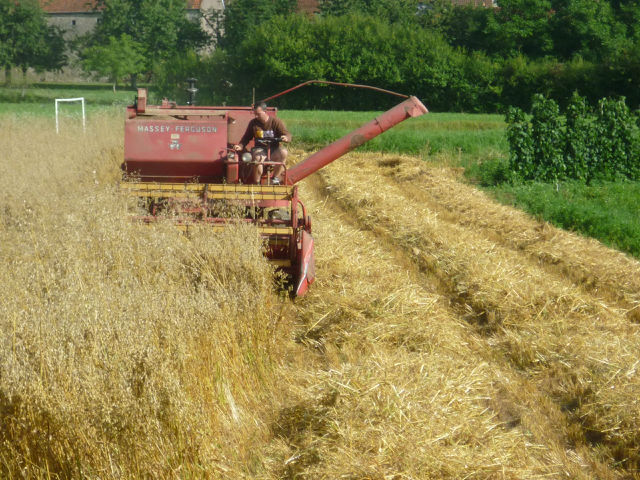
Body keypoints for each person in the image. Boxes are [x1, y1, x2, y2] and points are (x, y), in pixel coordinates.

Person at [234, 102, 290, 184]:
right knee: (258, 158)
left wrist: (286, 138)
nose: (256, 116)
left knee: (283, 153)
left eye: (258, 114)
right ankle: (257, 182)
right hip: (259, 149)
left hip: (273, 149)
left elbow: (286, 133)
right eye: (255, 114)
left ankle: (275, 178)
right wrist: (240, 146)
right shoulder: (253, 123)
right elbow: (246, 137)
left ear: (265, 111)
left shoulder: (275, 122)